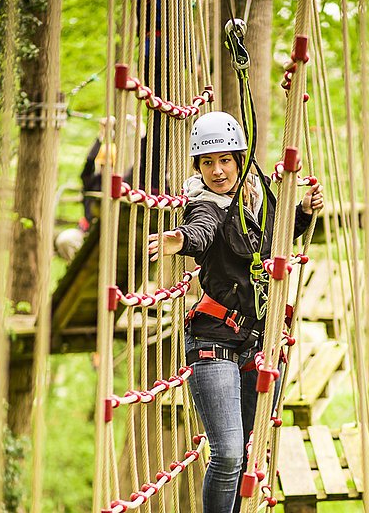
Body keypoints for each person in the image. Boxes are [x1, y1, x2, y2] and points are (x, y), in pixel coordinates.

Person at [147, 111, 323, 513]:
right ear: (197, 168)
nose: (217, 170)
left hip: (260, 340)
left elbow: (274, 235)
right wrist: (180, 240)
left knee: (247, 453)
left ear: (241, 160)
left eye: (225, 160)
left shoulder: (259, 192)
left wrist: (304, 212)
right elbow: (201, 231)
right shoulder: (204, 204)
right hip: (214, 338)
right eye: (207, 162)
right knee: (226, 454)